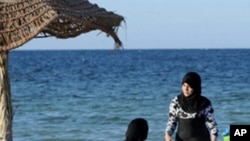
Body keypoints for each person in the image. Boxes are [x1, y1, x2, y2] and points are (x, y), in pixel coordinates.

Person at [165, 72, 219, 141]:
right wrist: (167, 135)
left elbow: (213, 127)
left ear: (196, 87)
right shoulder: (176, 102)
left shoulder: (204, 103)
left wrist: (213, 139)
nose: (186, 89)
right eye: (184, 85)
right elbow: (171, 122)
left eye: (189, 86)